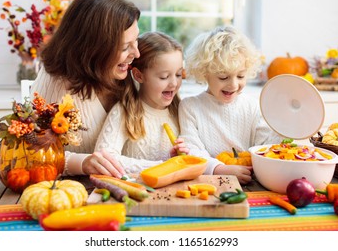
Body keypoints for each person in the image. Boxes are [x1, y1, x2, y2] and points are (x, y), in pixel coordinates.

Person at [30, 0, 141, 178]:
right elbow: (32, 154)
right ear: (93, 48)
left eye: (136, 40)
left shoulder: (132, 73)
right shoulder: (56, 80)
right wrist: (82, 163)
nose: (136, 54)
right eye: (124, 47)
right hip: (72, 191)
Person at [178, 26, 283, 184]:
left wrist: (285, 130)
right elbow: (192, 150)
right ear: (205, 73)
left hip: (251, 181)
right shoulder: (190, 107)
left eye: (240, 76)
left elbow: (265, 145)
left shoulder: (252, 106)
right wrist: (220, 169)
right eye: (223, 77)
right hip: (209, 182)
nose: (233, 85)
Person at [94, 31, 188, 174]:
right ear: (138, 75)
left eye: (179, 74)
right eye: (164, 77)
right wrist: (162, 166)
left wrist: (181, 156)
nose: (174, 83)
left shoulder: (181, 110)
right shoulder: (125, 111)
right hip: (134, 192)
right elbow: (105, 158)